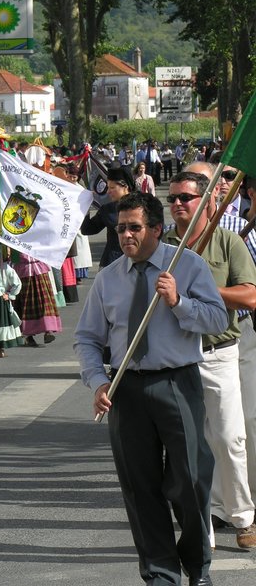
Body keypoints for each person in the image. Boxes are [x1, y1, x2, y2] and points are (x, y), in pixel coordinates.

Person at [75, 191, 228, 586]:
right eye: (121, 228)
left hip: (177, 381)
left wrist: (178, 301)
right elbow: (88, 338)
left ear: (156, 230)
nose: (126, 235)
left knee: (191, 481)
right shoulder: (109, 278)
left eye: (134, 227)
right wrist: (98, 381)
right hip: (127, 388)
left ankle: (198, 566)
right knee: (140, 488)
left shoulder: (187, 266)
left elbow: (216, 320)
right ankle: (160, 573)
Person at [162, 171, 256, 550]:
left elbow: (249, 296)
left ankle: (244, 518)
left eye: (186, 198)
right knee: (186, 445)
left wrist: (202, 289)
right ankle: (201, 526)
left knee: (229, 437)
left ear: (206, 201)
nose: (179, 205)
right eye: (173, 199)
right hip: (175, 356)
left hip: (219, 354)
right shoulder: (162, 245)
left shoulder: (228, 242)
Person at [81, 166, 134, 268]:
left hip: (137, 262)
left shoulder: (142, 205)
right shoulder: (107, 209)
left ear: (125, 186)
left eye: (112, 188)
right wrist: (85, 207)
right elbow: (88, 230)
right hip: (111, 263)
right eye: (108, 187)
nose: (108, 191)